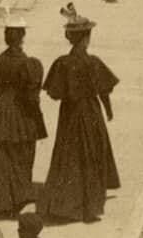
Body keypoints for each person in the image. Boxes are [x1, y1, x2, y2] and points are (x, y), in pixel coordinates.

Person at [42, 15, 119, 223]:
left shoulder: (62, 63)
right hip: (91, 113)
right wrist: (109, 110)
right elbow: (104, 90)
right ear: (86, 39)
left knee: (68, 156)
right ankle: (90, 206)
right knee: (92, 154)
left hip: (69, 115)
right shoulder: (93, 62)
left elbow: (54, 93)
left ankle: (65, 204)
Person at [0, 21, 46, 217]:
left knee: (0, 157)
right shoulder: (30, 64)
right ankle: (18, 199)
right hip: (22, 115)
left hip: (2, 112)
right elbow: (32, 97)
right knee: (21, 157)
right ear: (22, 37)